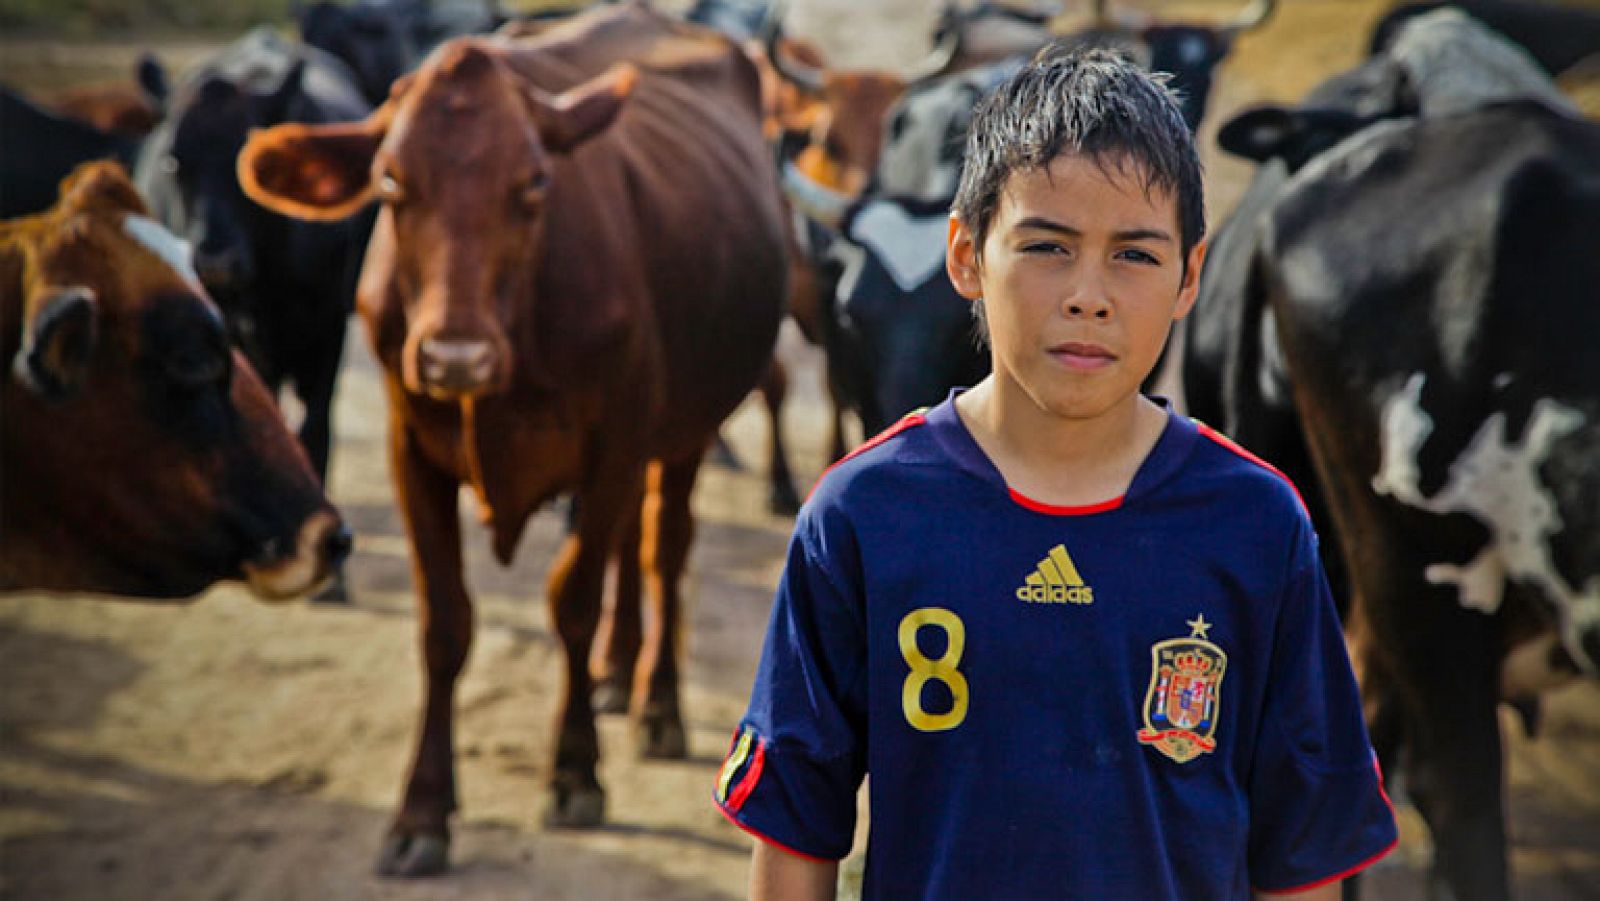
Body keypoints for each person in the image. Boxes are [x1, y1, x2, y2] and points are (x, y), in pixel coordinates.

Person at [714, 45, 1398, 900]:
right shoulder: (862, 513)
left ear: (1191, 275)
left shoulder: (1256, 523)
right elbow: (793, 831)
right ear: (965, 255)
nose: (1088, 294)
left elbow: (1302, 857)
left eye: (1136, 256)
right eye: (1046, 246)